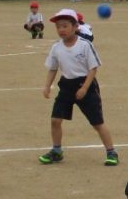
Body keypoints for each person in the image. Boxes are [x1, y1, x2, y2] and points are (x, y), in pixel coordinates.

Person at [38, 9, 118, 166]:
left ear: (75, 27)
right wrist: (47, 86)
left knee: (97, 122)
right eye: (58, 27)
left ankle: (111, 152)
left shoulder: (85, 45)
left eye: (65, 26)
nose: (61, 29)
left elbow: (93, 68)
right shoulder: (56, 47)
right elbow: (53, 68)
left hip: (85, 85)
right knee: (55, 120)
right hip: (66, 87)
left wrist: (85, 88)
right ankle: (56, 151)